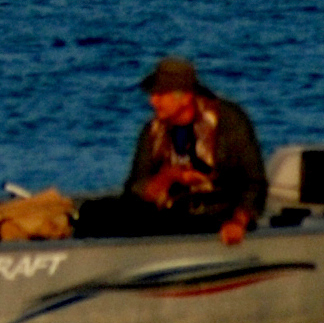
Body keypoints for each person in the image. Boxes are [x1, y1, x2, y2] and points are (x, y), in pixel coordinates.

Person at [81, 55, 266, 243]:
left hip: (216, 216)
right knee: (92, 212)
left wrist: (238, 221)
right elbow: (133, 190)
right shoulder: (153, 130)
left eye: (160, 95)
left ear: (184, 97)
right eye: (153, 94)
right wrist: (169, 177)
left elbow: (255, 184)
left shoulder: (229, 122)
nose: (153, 101)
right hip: (170, 213)